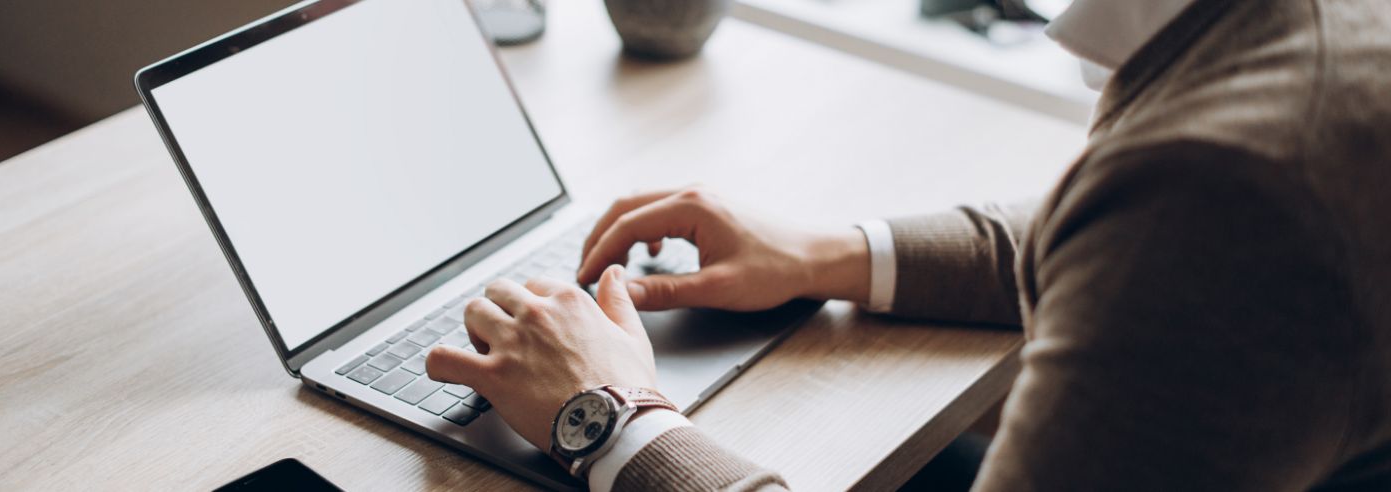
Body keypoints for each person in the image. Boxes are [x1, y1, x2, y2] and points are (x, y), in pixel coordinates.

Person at [426, 0, 1391, 490]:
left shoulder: (1236, 186)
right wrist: (837, 253)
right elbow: (1123, 226)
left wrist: (614, 421)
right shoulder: (1306, 47)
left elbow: (1178, 231)